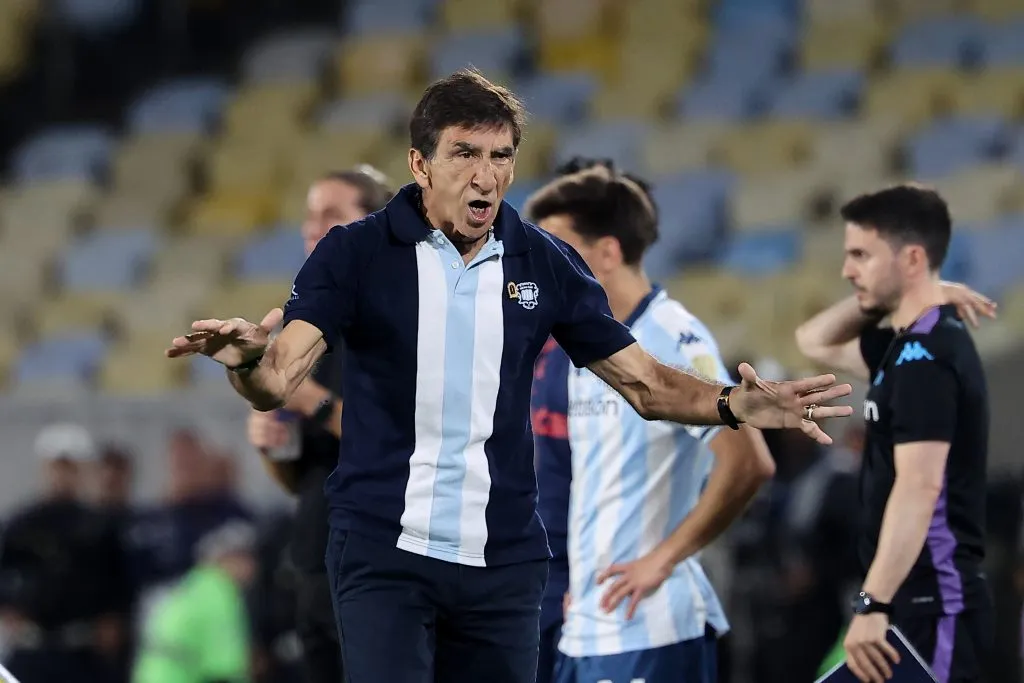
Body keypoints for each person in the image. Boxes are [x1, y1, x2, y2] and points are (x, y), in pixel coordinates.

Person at [165, 68, 853, 683]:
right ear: (420, 163)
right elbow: (281, 377)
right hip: (384, 550)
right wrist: (250, 361)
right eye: (464, 154)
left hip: (504, 563)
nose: (486, 175)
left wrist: (736, 404)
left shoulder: (542, 261)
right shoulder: (357, 252)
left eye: (500, 157)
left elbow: (646, 383)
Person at [526, 165, 775, 683]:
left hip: (650, 628)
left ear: (609, 254)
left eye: (556, 248)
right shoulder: (586, 347)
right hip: (587, 625)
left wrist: (662, 559)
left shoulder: (673, 337)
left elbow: (749, 461)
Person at [794, 184, 998, 683]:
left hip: (932, 606)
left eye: (861, 255)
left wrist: (872, 601)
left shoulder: (927, 357)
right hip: (908, 604)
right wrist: (930, 289)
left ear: (911, 258)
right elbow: (813, 339)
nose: (847, 270)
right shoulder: (902, 346)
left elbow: (920, 485)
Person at [245, 166, 393, 683]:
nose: (313, 228)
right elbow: (299, 479)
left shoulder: (402, 318)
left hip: (383, 563)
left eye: (332, 215)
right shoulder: (307, 325)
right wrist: (271, 445)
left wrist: (312, 401)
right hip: (314, 561)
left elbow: (400, 440)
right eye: (310, 216)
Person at [0, 424, 130, 683]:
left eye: (70, 467)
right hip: (31, 650)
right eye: (57, 466)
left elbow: (118, 582)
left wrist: (113, 620)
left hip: (82, 652)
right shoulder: (21, 524)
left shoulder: (101, 525)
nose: (62, 474)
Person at [131, 521, 258, 683]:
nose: (252, 566)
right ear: (223, 559)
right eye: (243, 557)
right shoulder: (220, 595)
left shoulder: (193, 585)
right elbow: (224, 669)